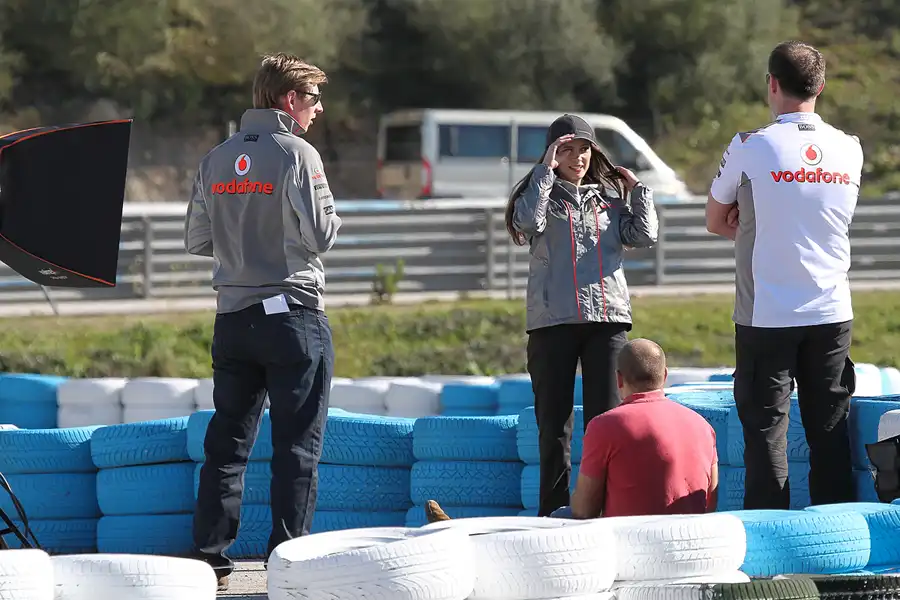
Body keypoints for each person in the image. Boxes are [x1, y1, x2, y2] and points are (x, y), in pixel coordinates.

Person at [184, 52, 341, 591]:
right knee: (297, 448)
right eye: (314, 98)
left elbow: (196, 240)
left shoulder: (216, 157)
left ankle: (210, 559)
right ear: (289, 99)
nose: (319, 109)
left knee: (226, 446)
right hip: (292, 315)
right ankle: (286, 566)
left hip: (232, 318)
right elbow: (322, 236)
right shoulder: (299, 153)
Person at [705, 40, 863, 510]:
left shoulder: (749, 145)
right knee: (829, 433)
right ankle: (836, 536)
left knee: (765, 434)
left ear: (772, 84)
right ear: (821, 87)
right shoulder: (850, 148)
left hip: (767, 314)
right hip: (831, 310)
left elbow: (714, 220)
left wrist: (753, 223)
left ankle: (769, 540)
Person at [503, 113, 658, 517]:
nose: (578, 158)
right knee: (554, 427)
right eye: (567, 150)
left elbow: (645, 235)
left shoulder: (609, 201)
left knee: (606, 425)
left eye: (584, 149)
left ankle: (605, 511)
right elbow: (527, 223)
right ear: (552, 154)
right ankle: (552, 513)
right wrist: (544, 173)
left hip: (607, 324)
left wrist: (638, 191)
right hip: (552, 324)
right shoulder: (539, 197)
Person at [424, 339, 719, 523]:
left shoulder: (607, 425)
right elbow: (710, 502)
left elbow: (584, 510)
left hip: (628, 543)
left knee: (555, 520)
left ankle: (462, 535)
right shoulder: (704, 427)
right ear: (664, 376)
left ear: (619, 379)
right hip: (691, 540)